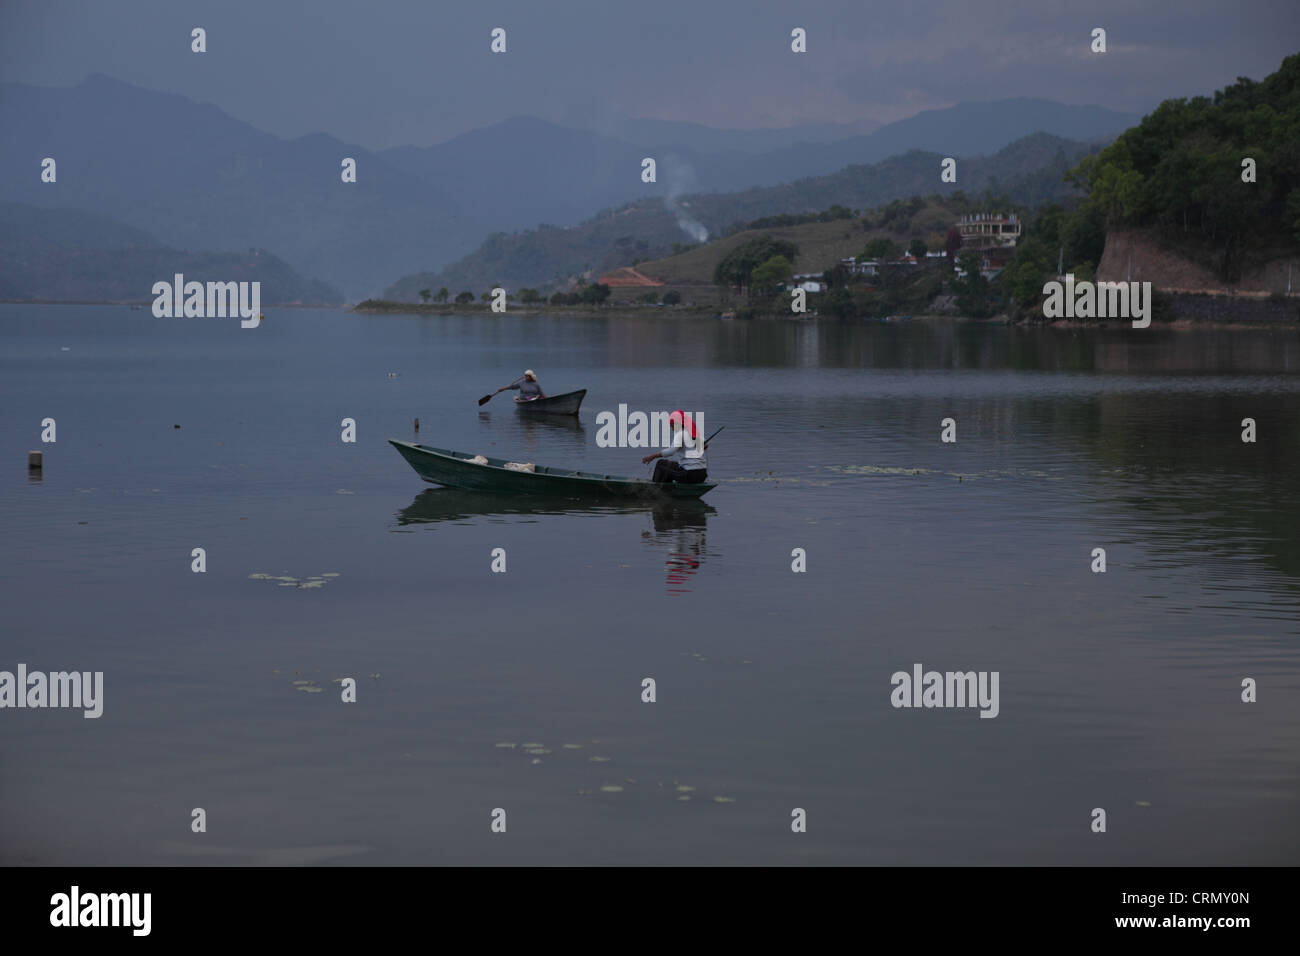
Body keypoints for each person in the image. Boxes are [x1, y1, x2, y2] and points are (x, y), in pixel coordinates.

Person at [642, 410, 708, 484]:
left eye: (672, 425)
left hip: (689, 475)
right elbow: (705, 446)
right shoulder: (695, 434)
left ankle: (655, 489)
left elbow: (670, 452)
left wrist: (653, 456)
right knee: (671, 465)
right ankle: (665, 488)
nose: (671, 428)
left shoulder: (680, 434)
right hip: (702, 474)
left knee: (661, 464)